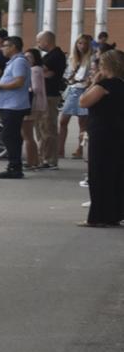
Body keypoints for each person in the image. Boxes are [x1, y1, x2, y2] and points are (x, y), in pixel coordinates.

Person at [77, 49, 124, 226]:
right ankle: (114, 214)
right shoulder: (121, 84)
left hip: (103, 133)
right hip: (118, 131)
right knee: (115, 173)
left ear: (106, 66)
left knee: (99, 173)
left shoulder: (105, 86)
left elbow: (83, 101)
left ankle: (98, 216)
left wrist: (93, 84)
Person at [0, 37, 32, 179]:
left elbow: (19, 82)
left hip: (13, 105)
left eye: (5, 46)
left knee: (9, 135)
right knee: (12, 135)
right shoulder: (13, 62)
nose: (2, 49)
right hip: (8, 103)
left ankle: (14, 166)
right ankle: (14, 165)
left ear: (13, 47)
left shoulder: (19, 61)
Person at [60, 34, 96, 162]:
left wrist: (87, 81)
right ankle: (60, 149)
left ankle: (79, 149)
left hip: (84, 90)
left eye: (85, 43)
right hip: (73, 89)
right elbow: (67, 74)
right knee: (63, 120)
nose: (82, 46)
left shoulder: (92, 58)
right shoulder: (73, 58)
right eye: (80, 43)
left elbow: (93, 75)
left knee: (83, 123)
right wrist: (70, 79)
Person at [35, 30, 68, 169]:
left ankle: (49, 159)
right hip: (44, 95)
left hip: (50, 95)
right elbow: (42, 72)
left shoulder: (56, 55)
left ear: (46, 41)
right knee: (42, 128)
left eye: (39, 41)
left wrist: (40, 70)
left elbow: (42, 71)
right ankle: (42, 157)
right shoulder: (49, 55)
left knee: (48, 128)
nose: (38, 44)